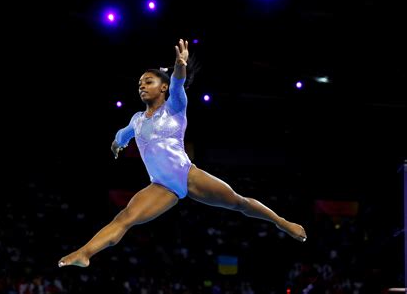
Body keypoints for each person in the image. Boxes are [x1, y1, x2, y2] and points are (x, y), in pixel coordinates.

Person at [58, 39, 307, 268]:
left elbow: (178, 83)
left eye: (148, 81)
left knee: (239, 203)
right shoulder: (136, 120)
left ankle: (282, 222)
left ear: (163, 87)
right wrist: (116, 145)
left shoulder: (175, 107)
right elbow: (122, 135)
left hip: (188, 174)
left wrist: (180, 65)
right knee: (125, 217)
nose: (141, 86)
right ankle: (85, 253)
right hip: (161, 187)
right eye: (139, 83)